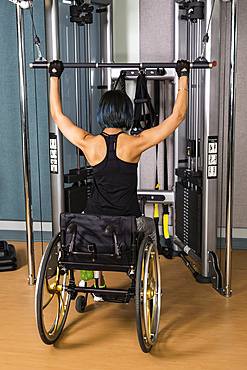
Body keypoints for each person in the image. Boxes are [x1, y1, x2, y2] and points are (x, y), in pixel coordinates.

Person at [49, 59, 189, 300]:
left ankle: (96, 284)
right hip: (127, 225)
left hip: (94, 223)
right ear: (127, 114)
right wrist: (183, 75)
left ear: (102, 113)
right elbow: (177, 117)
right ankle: (143, 278)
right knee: (150, 226)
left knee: (85, 229)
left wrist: (54, 76)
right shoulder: (135, 143)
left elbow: (57, 115)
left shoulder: (88, 142)